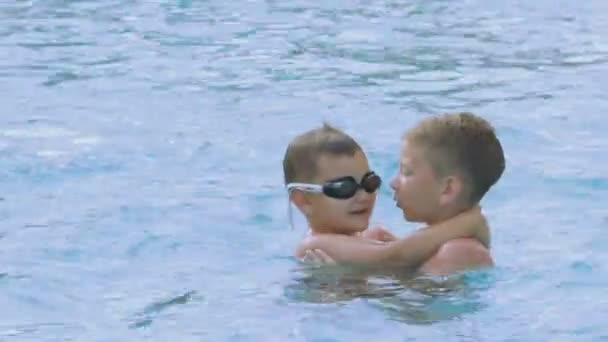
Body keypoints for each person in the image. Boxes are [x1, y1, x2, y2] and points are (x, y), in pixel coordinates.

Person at [298, 112, 505, 275]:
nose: (394, 183)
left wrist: (349, 286)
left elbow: (412, 313)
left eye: (406, 172)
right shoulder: (436, 248)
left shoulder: (460, 253)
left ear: (447, 189)